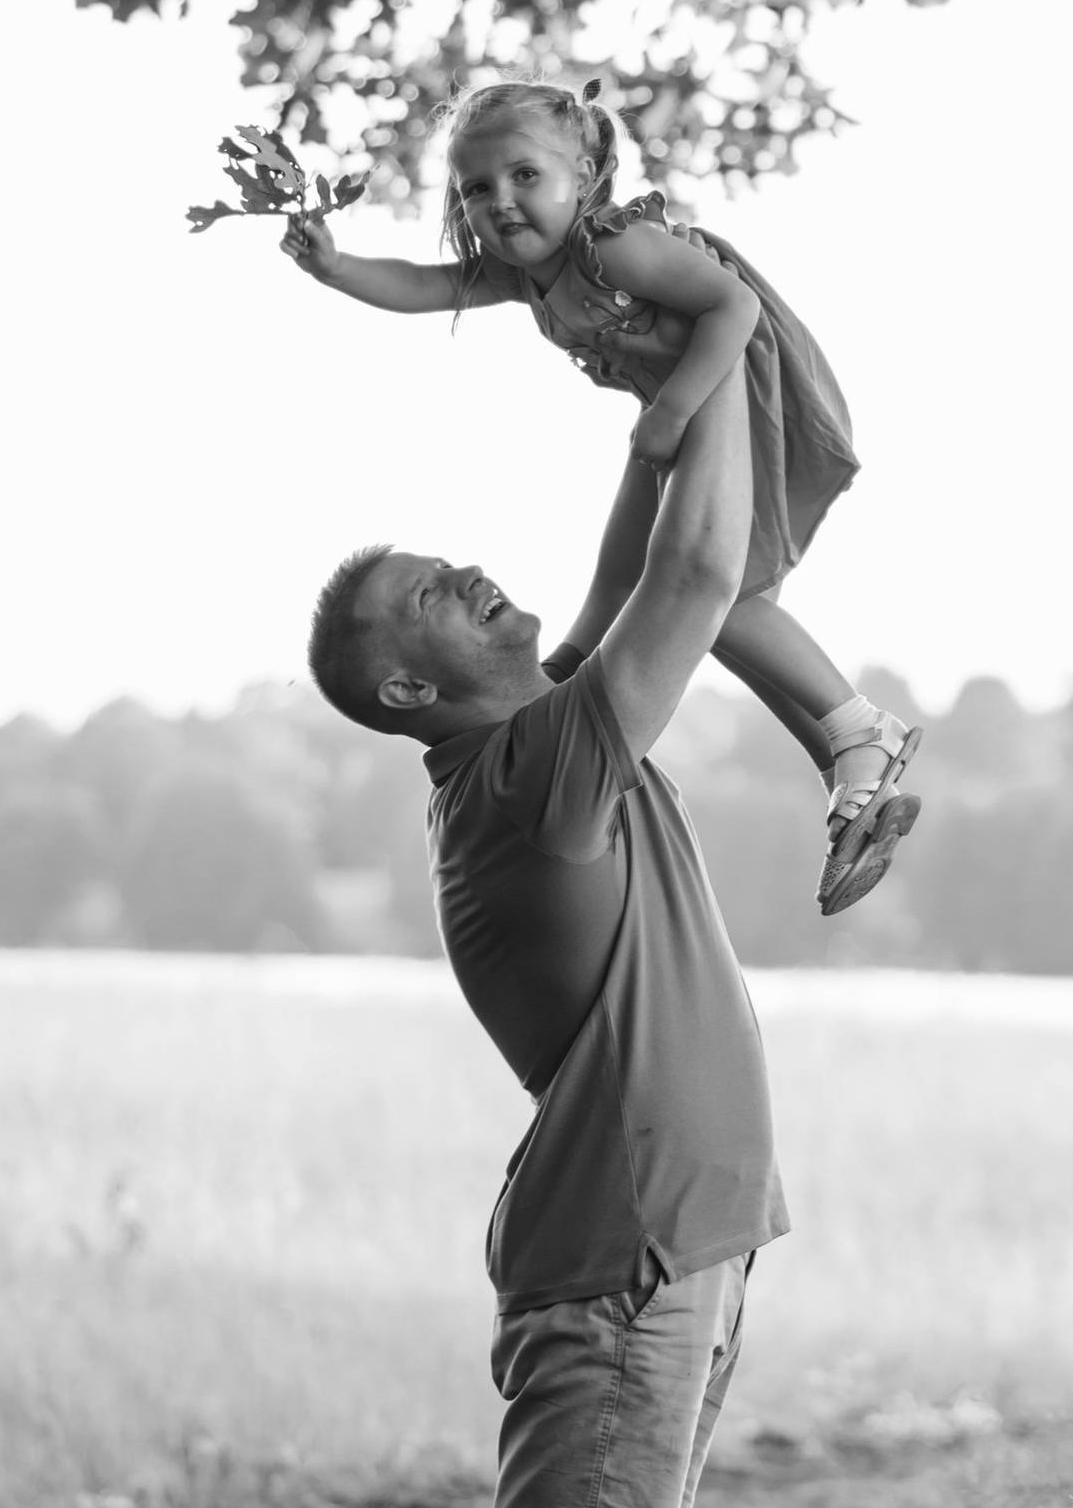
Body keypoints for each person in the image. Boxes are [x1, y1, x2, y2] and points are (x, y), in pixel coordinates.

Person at [303, 368, 783, 1508]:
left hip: (668, 1247)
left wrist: (663, 396)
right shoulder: (537, 762)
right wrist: (720, 334)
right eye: (444, 592)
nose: (485, 583)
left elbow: (630, 552)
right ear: (415, 683)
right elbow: (701, 563)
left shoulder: (533, 730)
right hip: (626, 1258)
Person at [283, 78, 919, 913]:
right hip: (676, 408)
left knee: (715, 597)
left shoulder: (609, 250)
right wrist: (333, 268)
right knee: (698, 605)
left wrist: (677, 409)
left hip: (731, 386)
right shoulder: (527, 277)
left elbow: (734, 305)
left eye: (523, 176)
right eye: (476, 189)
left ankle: (859, 731)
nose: (499, 203)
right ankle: (847, 756)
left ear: (583, 176)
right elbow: (422, 285)